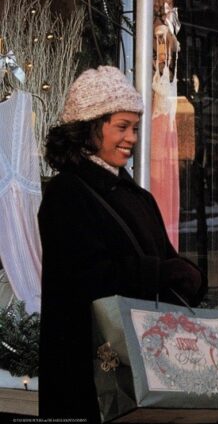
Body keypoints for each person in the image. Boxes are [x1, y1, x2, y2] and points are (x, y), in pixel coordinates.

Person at [38, 66, 207, 422]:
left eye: (135, 127)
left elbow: (165, 259)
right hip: (89, 377)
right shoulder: (67, 194)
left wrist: (185, 275)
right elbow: (85, 279)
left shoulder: (137, 196)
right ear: (90, 128)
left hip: (142, 371)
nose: (131, 138)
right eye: (121, 127)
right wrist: (158, 273)